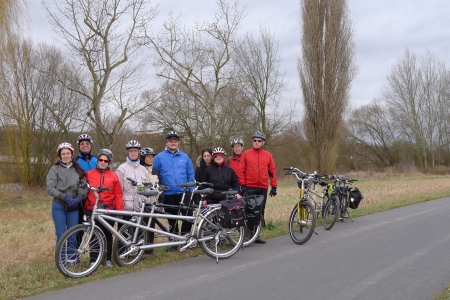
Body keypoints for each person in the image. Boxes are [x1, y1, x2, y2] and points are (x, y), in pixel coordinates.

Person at [152, 131, 195, 251]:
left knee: (188, 217)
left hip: (184, 193)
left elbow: (191, 174)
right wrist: (160, 190)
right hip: (169, 194)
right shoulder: (159, 157)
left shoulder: (185, 157)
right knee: (172, 219)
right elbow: (155, 175)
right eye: (171, 141)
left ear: (178, 143)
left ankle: (186, 241)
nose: (173, 143)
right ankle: (174, 244)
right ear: (167, 142)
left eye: (175, 141)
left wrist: (190, 190)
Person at [46, 142, 87, 263]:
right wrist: (64, 196)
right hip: (59, 205)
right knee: (61, 234)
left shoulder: (78, 169)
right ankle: (61, 261)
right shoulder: (55, 169)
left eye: (68, 153)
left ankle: (72, 261)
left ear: (72, 154)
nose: (66, 156)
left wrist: (79, 198)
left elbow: (83, 185)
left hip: (73, 206)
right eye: (63, 154)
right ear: (60, 155)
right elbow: (50, 188)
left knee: (73, 235)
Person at [85, 149, 124, 267]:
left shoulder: (113, 176)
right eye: (101, 159)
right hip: (93, 209)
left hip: (108, 210)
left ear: (109, 162)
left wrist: (120, 210)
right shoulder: (89, 174)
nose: (103, 162)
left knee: (107, 234)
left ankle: (107, 259)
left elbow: (118, 194)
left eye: (105, 160)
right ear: (97, 160)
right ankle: (93, 260)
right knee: (94, 235)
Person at [236, 131, 278, 244]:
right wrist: (243, 185)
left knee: (260, 211)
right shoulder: (246, 154)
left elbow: (272, 171)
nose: (256, 143)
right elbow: (241, 171)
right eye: (254, 140)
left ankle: (256, 235)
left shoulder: (267, 155)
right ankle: (247, 234)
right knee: (249, 211)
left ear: (263, 142)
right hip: (250, 187)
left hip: (263, 187)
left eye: (259, 141)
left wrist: (274, 186)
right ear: (252, 142)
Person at [115, 140, 150, 220]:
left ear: (138, 152)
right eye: (131, 151)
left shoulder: (143, 169)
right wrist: (119, 208)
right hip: (127, 209)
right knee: (124, 232)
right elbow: (118, 191)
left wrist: (146, 203)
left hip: (141, 208)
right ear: (128, 152)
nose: (133, 153)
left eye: (135, 151)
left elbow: (147, 189)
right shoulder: (121, 169)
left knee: (141, 232)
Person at [139, 146, 164, 254]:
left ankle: (149, 249)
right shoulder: (139, 169)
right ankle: (140, 248)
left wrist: (161, 201)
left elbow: (160, 185)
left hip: (154, 202)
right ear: (143, 158)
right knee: (141, 226)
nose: (151, 159)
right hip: (141, 202)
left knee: (151, 225)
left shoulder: (155, 170)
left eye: (152, 157)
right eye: (149, 157)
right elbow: (138, 186)